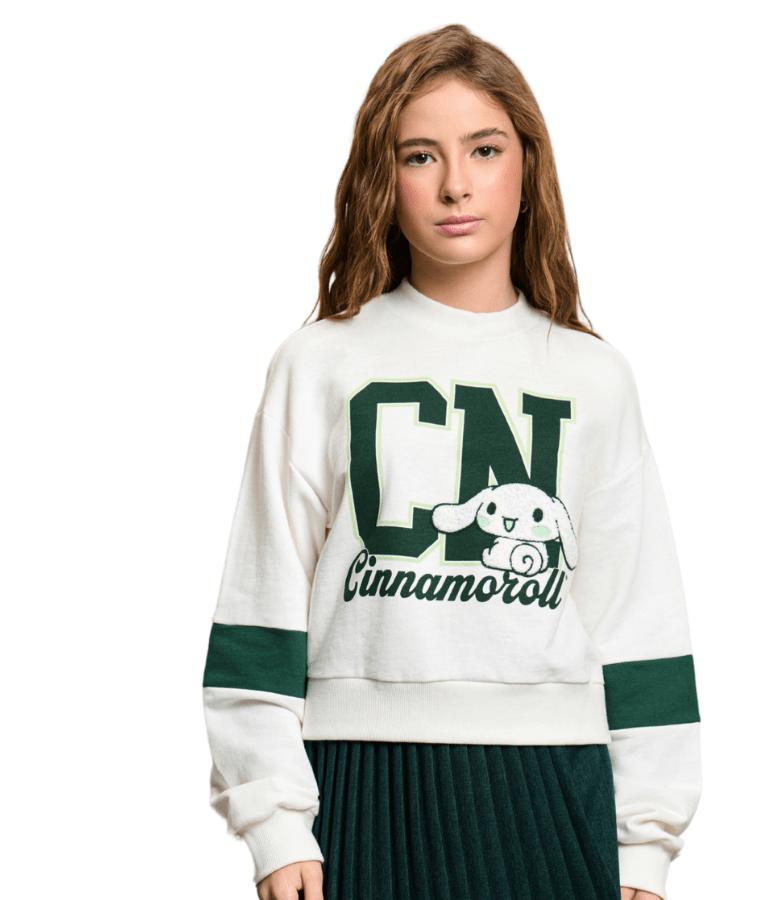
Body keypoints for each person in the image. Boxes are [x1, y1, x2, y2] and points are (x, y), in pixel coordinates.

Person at [202, 23, 701, 900]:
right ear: (382, 176)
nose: (456, 184)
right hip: (358, 781)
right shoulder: (320, 363)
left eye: (485, 149)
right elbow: (262, 601)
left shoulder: (593, 377)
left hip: (554, 784)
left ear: (528, 167)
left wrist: (646, 841)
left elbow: (638, 616)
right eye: (420, 155)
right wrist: (274, 823)